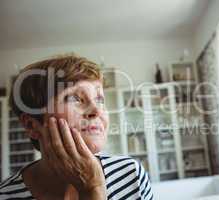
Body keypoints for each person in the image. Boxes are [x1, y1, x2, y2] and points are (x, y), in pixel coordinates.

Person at [0, 54, 153, 200]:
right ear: (31, 125)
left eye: (99, 99)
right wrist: (92, 189)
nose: (97, 111)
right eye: (74, 98)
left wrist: (93, 188)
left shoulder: (131, 174)